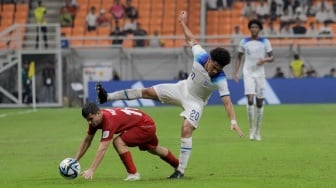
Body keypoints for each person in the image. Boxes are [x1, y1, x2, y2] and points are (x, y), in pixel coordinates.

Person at [96, 10, 244, 179]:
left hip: (196, 102)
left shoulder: (220, 80)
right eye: (214, 66)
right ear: (210, 60)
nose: (215, 71)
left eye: (219, 69)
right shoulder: (201, 55)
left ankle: (180, 170)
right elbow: (191, 39)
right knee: (147, 92)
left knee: (186, 128)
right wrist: (182, 24)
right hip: (182, 88)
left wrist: (233, 121)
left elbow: (227, 102)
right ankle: (107, 97)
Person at [75, 102, 179, 181]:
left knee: (118, 142)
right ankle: (179, 166)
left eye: (91, 119)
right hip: (145, 122)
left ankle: (133, 174)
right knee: (153, 149)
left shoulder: (108, 121)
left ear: (98, 113)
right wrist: (75, 160)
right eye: (87, 120)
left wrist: (92, 169)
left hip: (144, 126)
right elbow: (86, 141)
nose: (89, 122)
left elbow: (103, 148)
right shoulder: (96, 120)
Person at [233, 19, 274, 141]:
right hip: (248, 73)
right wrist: (236, 72)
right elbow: (239, 57)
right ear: (249, 29)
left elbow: (272, 57)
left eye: (256, 27)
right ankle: (251, 129)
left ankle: (258, 131)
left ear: (259, 29)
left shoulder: (265, 42)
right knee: (250, 99)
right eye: (252, 27)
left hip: (260, 74)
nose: (254, 29)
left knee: (260, 102)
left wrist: (264, 60)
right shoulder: (244, 42)